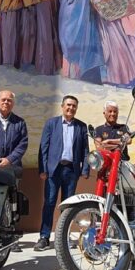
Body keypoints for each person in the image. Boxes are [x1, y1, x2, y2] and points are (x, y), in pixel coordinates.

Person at [36, 95, 90, 251]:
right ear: (62, 106)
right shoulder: (51, 124)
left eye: (74, 106)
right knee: (49, 203)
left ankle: (63, 237)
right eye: (68, 105)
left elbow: (85, 150)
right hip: (53, 170)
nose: (71, 108)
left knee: (68, 206)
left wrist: (85, 169)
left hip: (71, 171)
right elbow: (43, 147)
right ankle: (44, 237)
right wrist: (43, 169)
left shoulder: (81, 126)